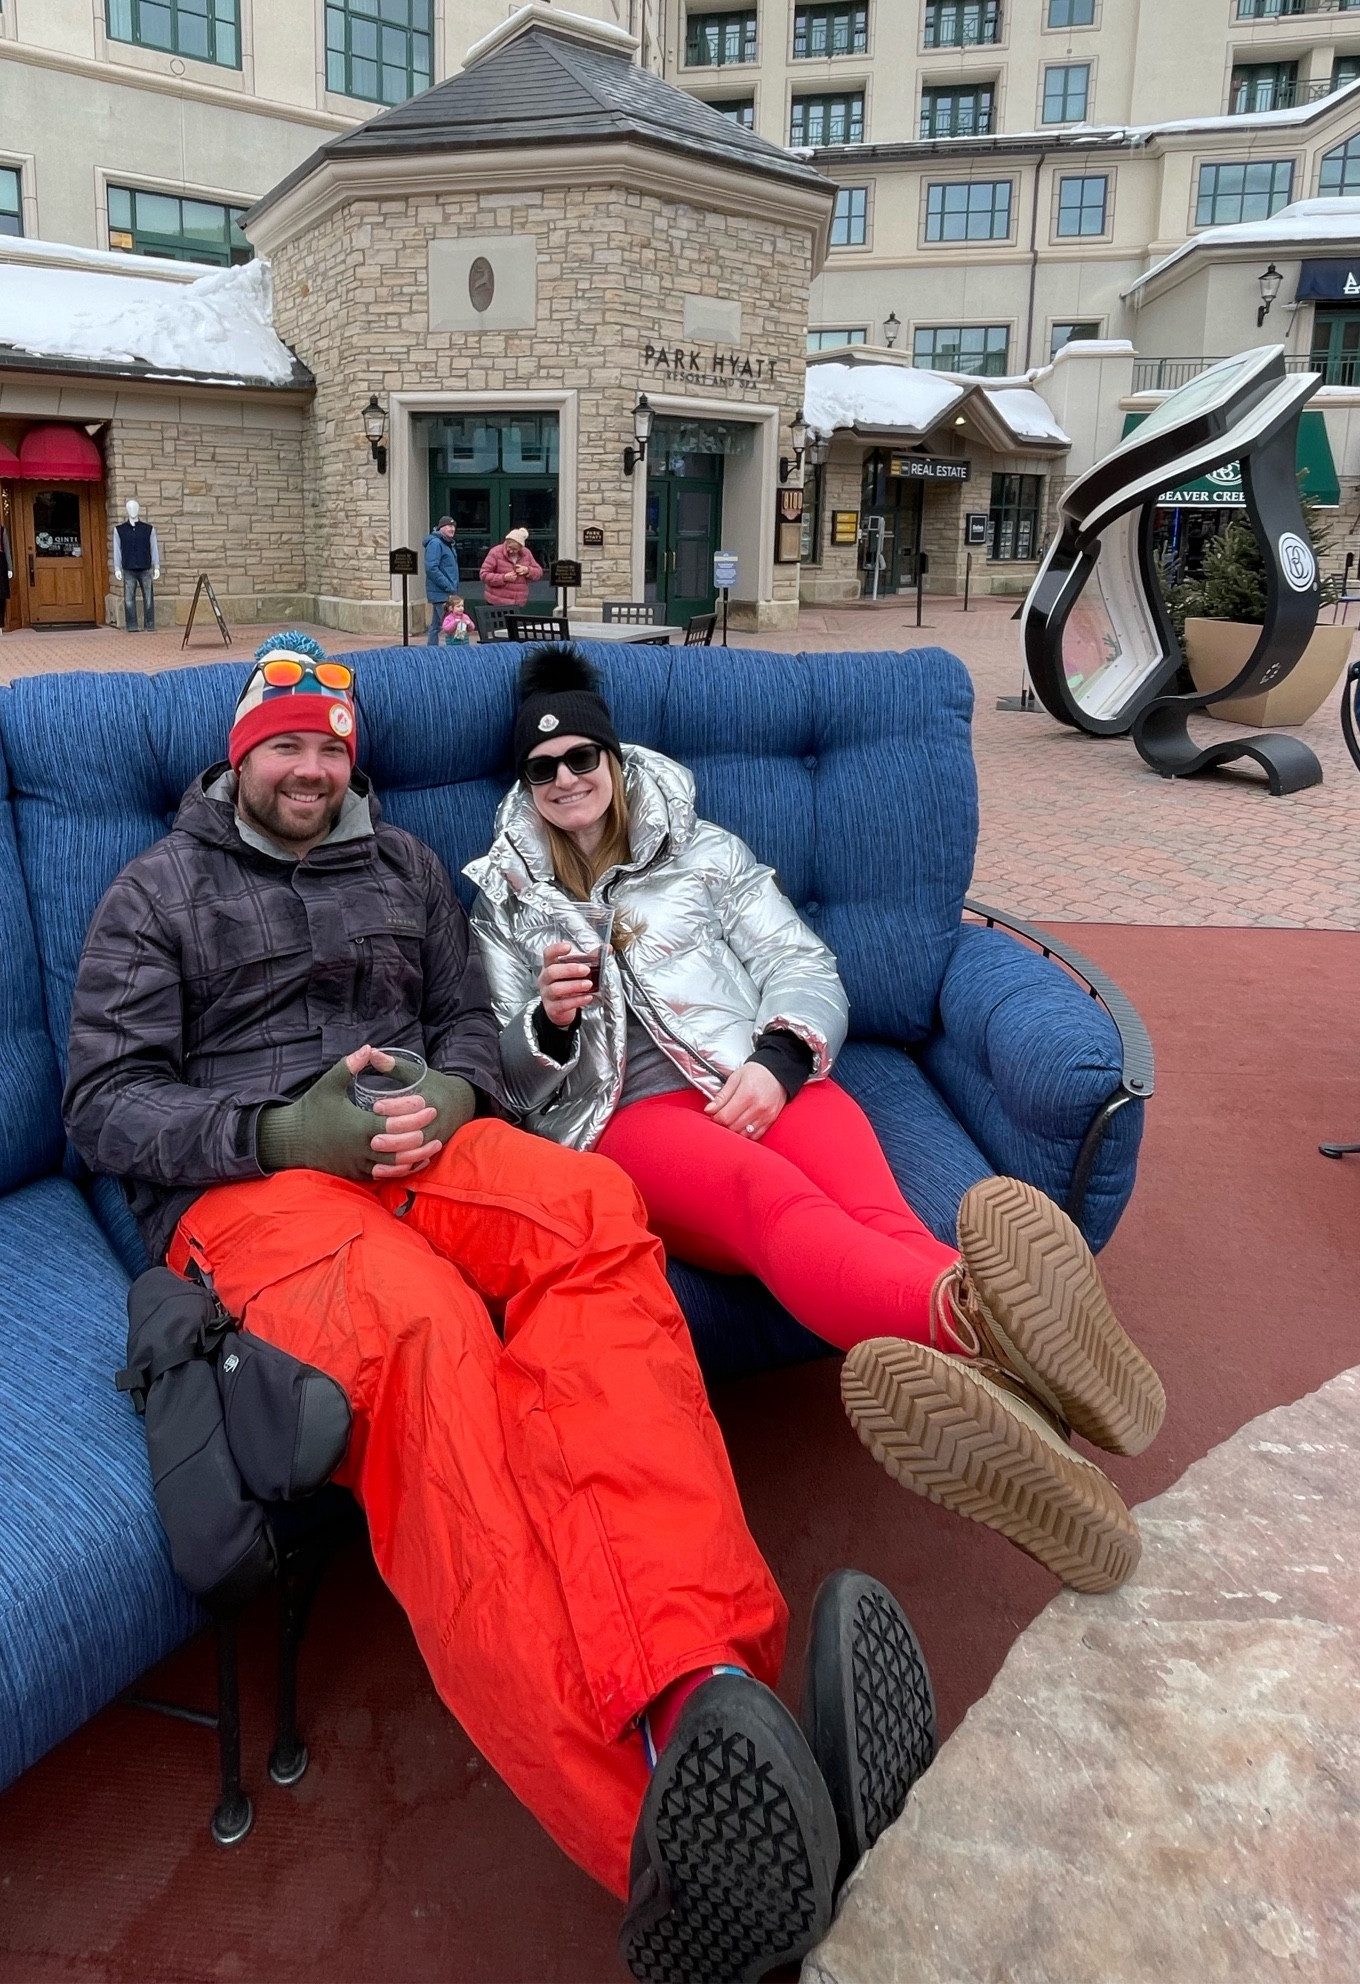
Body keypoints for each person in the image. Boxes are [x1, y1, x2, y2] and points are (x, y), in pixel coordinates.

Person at [63, 630, 937, 1984]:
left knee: (594, 1213)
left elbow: (472, 1025)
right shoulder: (158, 891)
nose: (309, 769)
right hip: (252, 1197)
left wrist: (458, 1091)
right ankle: (659, 1842)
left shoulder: (407, 871)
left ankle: (703, 1685)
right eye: (283, 746)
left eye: (328, 747)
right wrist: (278, 1129)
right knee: (427, 1336)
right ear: (241, 758)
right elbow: (104, 1103)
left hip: (426, 1151)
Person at [467, 649, 1167, 1598]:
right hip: (632, 1117)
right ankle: (988, 1329)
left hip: (764, 1072)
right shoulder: (506, 904)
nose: (564, 779)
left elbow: (800, 962)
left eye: (581, 756)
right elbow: (504, 1077)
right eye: (541, 767)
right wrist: (547, 1025)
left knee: (885, 1222)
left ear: (615, 759)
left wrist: (780, 1061)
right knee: (775, 1203)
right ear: (525, 782)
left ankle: (1043, 1450)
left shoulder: (706, 852)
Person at [479, 525, 543, 610]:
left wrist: (527, 570)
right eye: (509, 547)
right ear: (507, 542)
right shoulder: (495, 552)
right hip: (497, 602)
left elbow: (539, 572)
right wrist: (503, 578)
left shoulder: (526, 553)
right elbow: (484, 575)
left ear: (521, 547)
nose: (511, 551)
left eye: (515, 549)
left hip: (518, 603)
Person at [423, 516, 459, 646]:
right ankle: (454, 651)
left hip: (446, 592)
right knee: (452, 625)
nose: (452, 529)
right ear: (441, 528)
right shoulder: (436, 543)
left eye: (453, 526)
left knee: (435, 625)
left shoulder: (447, 544)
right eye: (448, 526)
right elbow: (431, 568)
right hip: (442, 592)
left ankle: (431, 650)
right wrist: (448, 586)